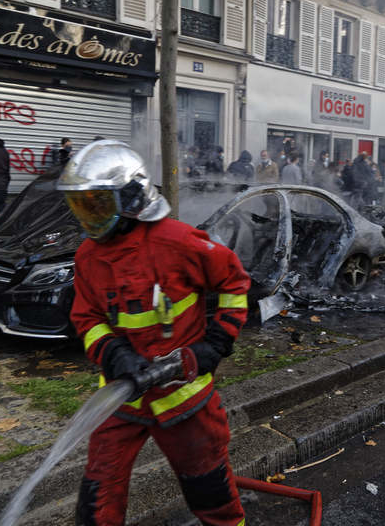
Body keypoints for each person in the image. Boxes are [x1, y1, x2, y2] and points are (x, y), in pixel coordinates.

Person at [57, 140, 249, 526]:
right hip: (122, 398)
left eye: (97, 204)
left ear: (130, 198)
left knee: (210, 494)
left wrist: (215, 344)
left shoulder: (179, 242)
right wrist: (114, 354)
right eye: (80, 206)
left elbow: (234, 283)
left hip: (184, 398)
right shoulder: (88, 258)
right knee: (97, 498)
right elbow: (87, 317)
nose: (88, 218)